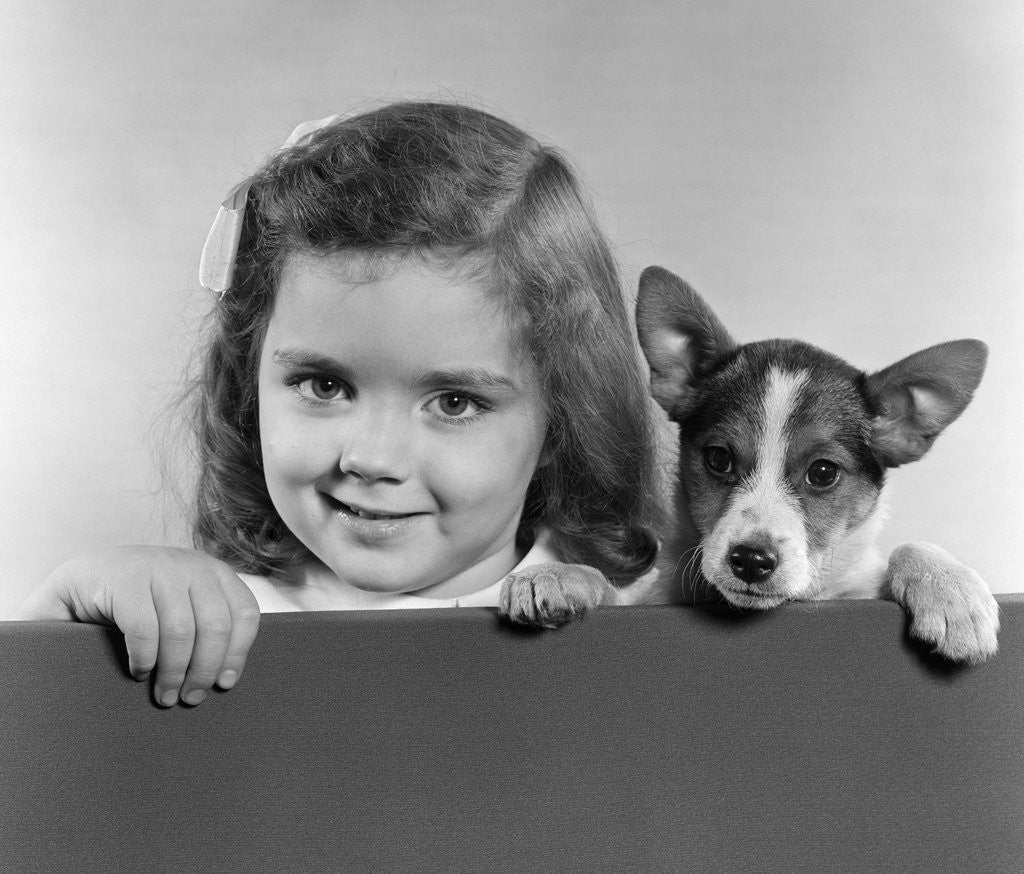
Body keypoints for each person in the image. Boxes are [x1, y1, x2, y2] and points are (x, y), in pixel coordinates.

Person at [15, 101, 662, 707]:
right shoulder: (199, 627)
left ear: (562, 418)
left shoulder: (642, 618)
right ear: (249, 386)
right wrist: (66, 621)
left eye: (455, 402)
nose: (372, 459)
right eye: (325, 386)